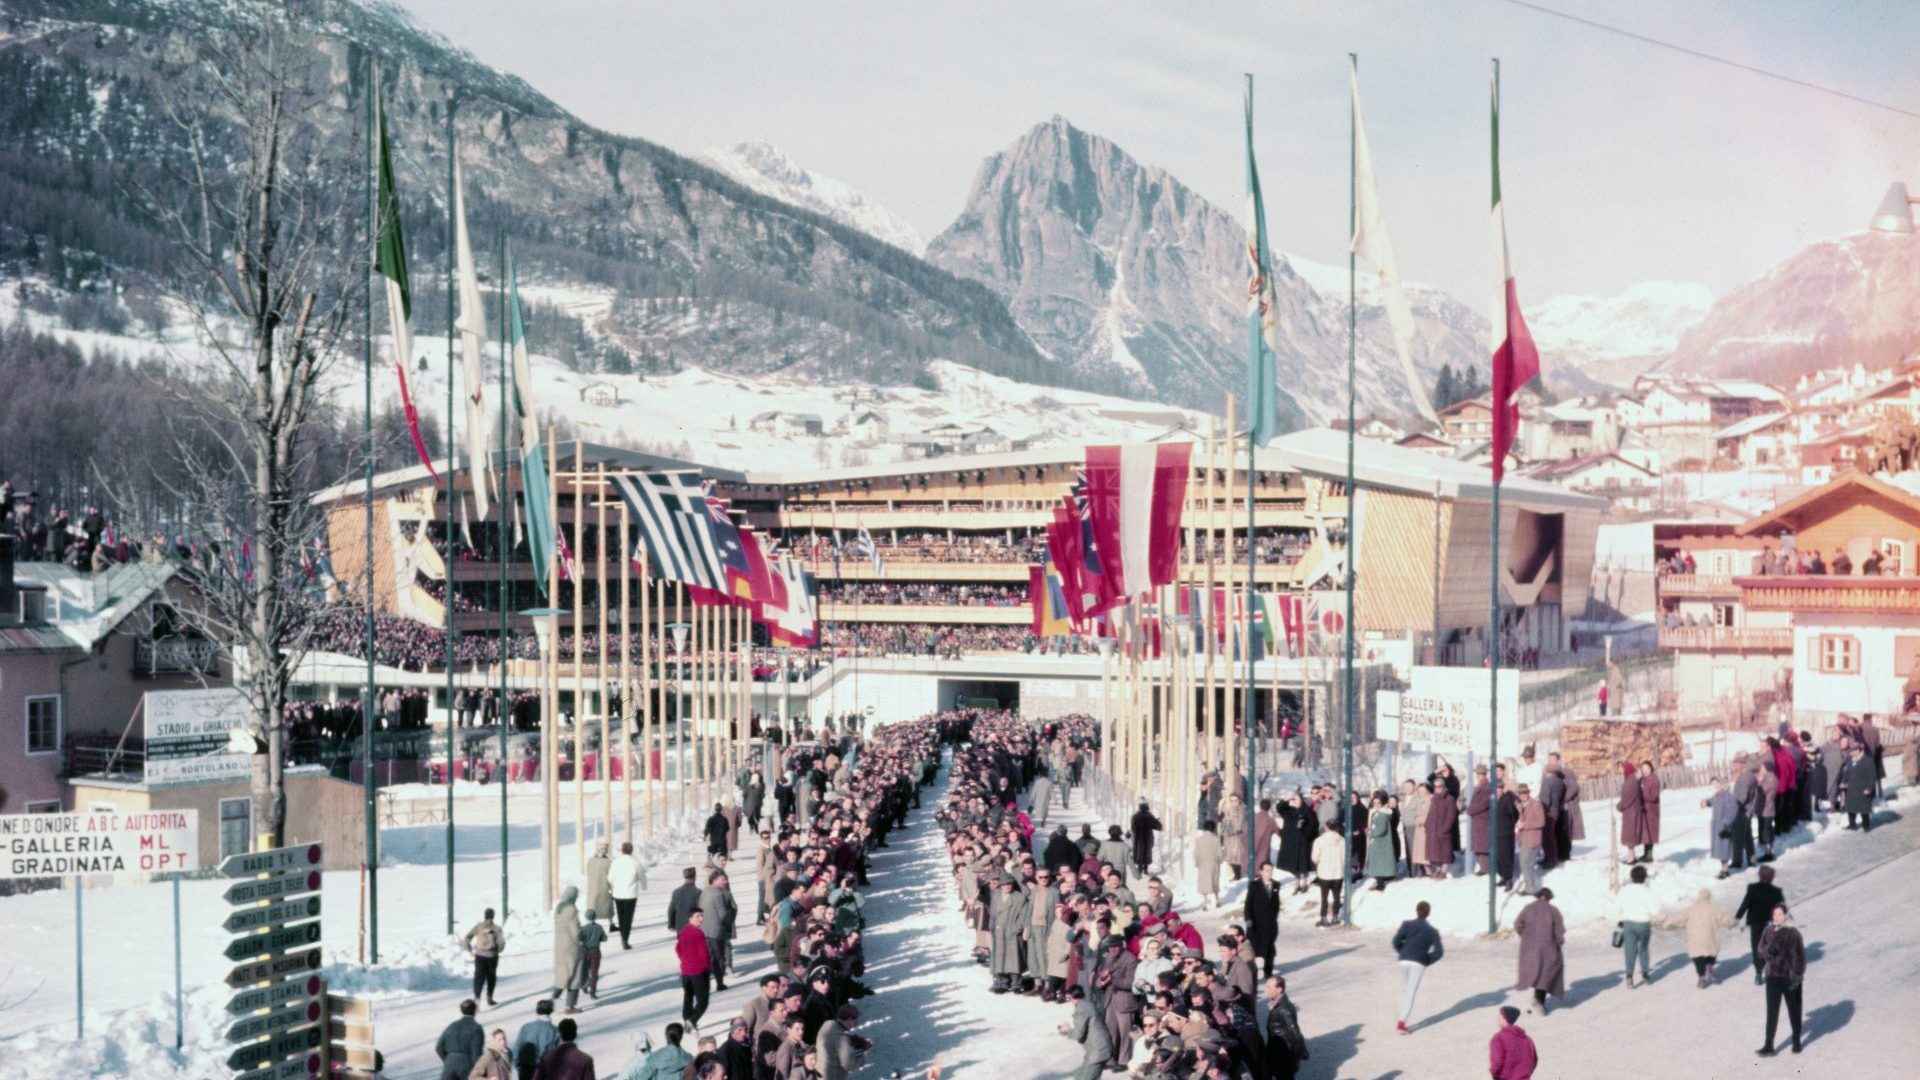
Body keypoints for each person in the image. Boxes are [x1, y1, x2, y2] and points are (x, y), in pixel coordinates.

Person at [1756, 903, 1806, 1057]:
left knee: (1794, 1010)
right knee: (1772, 1012)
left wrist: (1796, 977)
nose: (1777, 917)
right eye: (1775, 915)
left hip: (1789, 978)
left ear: (1786, 915)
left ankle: (1796, 1040)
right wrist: (1767, 951)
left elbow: (1800, 958)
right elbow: (1760, 951)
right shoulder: (1768, 930)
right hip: (1772, 977)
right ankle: (1768, 1045)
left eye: (1780, 914)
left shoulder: (1793, 933)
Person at [1390, 900, 1443, 1033]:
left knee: (1406, 988)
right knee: (1410, 991)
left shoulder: (1407, 925)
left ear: (1416, 910)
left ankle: (1401, 1013)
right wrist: (1426, 960)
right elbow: (1439, 952)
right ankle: (1401, 1022)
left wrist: (1402, 951)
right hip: (1418, 962)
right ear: (1428, 913)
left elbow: (1396, 941)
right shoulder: (1432, 931)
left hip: (1404, 960)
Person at [1667, 887, 1737, 988]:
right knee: (1711, 952)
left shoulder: (1691, 909)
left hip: (1696, 939)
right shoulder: (1713, 909)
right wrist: (1733, 923)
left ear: (1699, 897)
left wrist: (1666, 923)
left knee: (1698, 956)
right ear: (1709, 897)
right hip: (1710, 937)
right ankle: (1710, 965)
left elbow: (1677, 917)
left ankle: (1701, 977)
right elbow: (1724, 918)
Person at [1513, 889, 1564, 1014]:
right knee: (1546, 974)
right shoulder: (1553, 910)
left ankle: (1536, 997)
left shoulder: (1528, 908)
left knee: (1536, 971)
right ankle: (1539, 1002)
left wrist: (1526, 936)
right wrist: (1558, 942)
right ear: (1549, 898)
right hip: (1549, 948)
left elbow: (1518, 924)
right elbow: (1559, 931)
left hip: (1529, 948)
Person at [1735, 866, 1786, 986]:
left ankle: (1758, 973)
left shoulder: (1752, 888)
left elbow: (1745, 904)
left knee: (1757, 947)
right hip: (1771, 922)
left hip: (1755, 923)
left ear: (1760, 876)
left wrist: (1738, 917)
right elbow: (1782, 908)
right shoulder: (1776, 891)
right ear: (1771, 878)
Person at [1615, 864, 1657, 987]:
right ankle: (1645, 973)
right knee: (1643, 948)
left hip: (1629, 923)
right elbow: (1655, 910)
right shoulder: (1647, 891)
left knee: (1629, 950)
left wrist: (1621, 919)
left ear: (1632, 877)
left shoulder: (1625, 890)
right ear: (1644, 878)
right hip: (1643, 923)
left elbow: (1618, 907)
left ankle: (1629, 976)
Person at [1261, 974, 1309, 1080]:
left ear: (1279, 990)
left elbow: (1294, 1033)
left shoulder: (1284, 1010)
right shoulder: (1277, 1004)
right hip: (1278, 1053)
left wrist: (1302, 1052)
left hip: (1283, 1056)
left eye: (1269, 987)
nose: (1265, 990)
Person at [1058, 983, 1110, 1080]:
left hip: (1098, 1052)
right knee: (1079, 1075)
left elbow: (1078, 1034)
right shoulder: (1087, 1005)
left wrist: (1067, 1030)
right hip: (1098, 1050)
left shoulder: (1081, 1009)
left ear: (1071, 996)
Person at [699, 870, 738, 991]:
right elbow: (723, 915)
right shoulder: (719, 894)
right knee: (718, 958)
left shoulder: (705, 892)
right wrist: (731, 921)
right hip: (717, 931)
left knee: (707, 957)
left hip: (705, 930)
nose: (725, 882)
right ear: (715, 880)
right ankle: (720, 983)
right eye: (723, 879)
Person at [1243, 862, 1282, 979]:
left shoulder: (1276, 885)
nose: (1268, 873)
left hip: (1270, 924)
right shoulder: (1254, 885)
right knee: (1252, 948)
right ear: (1261, 872)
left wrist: (1274, 917)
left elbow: (1276, 903)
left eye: (1270, 870)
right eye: (1266, 870)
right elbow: (1248, 904)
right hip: (1256, 922)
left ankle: (1268, 971)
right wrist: (1249, 919)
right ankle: (1248, 971)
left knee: (1269, 948)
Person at [677, 908, 714, 1030]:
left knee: (688, 996)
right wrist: (708, 967)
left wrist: (684, 960)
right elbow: (704, 953)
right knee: (703, 999)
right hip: (698, 970)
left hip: (686, 970)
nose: (701, 919)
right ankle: (692, 1021)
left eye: (702, 916)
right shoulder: (698, 933)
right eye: (698, 916)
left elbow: (678, 948)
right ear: (690, 917)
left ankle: (686, 1018)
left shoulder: (684, 931)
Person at [552, 886, 586, 1013]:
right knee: (575, 975)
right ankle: (570, 1006)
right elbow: (575, 930)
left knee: (563, 972)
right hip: (572, 946)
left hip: (560, 945)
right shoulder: (572, 909)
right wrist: (582, 938)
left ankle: (553, 997)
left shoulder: (559, 908)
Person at [436, 999, 486, 1080]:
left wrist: (449, 1060)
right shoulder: (476, 1028)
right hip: (467, 1065)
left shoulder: (452, 1026)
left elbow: (439, 1048)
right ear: (475, 1011)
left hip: (450, 1064)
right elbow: (476, 1053)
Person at [465, 907, 506, 1007]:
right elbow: (502, 943)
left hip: (480, 955)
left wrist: (470, 949)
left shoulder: (479, 927)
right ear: (493, 916)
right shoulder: (497, 928)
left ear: (485, 915)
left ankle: (477, 998)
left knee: (478, 977)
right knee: (491, 977)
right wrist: (497, 951)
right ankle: (489, 997)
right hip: (492, 956)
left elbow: (467, 937)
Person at [814, 1004, 868, 1080]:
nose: (856, 1024)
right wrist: (863, 1057)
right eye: (855, 1021)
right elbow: (849, 1064)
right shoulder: (841, 1038)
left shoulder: (826, 1025)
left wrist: (855, 1039)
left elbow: (833, 1039)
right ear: (849, 1019)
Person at [511, 1000, 560, 1080]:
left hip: (525, 1069)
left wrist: (519, 1067)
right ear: (551, 1011)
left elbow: (517, 1048)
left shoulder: (526, 1027)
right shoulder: (554, 1031)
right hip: (543, 1071)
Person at [1311, 822, 1348, 926]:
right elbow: (1344, 857)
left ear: (1326, 827)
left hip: (1324, 873)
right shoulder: (1342, 840)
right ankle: (1335, 917)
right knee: (1336, 896)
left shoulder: (1319, 841)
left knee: (1324, 897)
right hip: (1338, 872)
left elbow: (1315, 858)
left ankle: (1324, 918)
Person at [1488, 1005, 1538, 1080]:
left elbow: (1497, 1060)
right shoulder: (1527, 1039)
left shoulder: (1499, 1038)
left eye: (1499, 1016)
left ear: (1504, 1017)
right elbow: (1534, 1060)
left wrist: (1494, 1073)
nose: (1497, 1019)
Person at [623, 1023, 690, 1080]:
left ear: (666, 1037)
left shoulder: (655, 1057)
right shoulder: (690, 1059)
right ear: (681, 1037)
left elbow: (643, 1077)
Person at [608, 842, 642, 949]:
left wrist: (614, 886)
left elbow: (610, 877)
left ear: (622, 850)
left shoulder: (616, 862)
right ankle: (625, 938)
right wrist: (644, 886)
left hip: (618, 893)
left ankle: (623, 935)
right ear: (631, 850)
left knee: (621, 916)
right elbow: (642, 876)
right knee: (628, 917)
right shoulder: (635, 862)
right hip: (631, 894)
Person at [1513, 785, 1545, 896]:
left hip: (1532, 839)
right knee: (1523, 864)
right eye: (1520, 794)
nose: (1523, 795)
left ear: (1528, 793)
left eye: (1525, 793)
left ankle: (1531, 889)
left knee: (1528, 864)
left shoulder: (1536, 804)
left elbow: (1541, 822)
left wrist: (1524, 825)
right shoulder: (1521, 805)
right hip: (1523, 839)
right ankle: (1529, 887)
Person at [1193, 819, 1224, 908]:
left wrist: (1197, 863)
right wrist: (1220, 860)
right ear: (1213, 829)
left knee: (1204, 883)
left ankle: (1205, 902)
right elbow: (1220, 853)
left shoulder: (1199, 840)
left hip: (1203, 864)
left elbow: (1196, 853)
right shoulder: (1216, 839)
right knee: (1215, 882)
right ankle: (1217, 899)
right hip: (1214, 863)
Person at [578, 909, 607, 1001]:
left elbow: (579, 939)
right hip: (596, 951)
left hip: (585, 951)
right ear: (595, 917)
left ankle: (585, 986)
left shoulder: (583, 928)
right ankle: (593, 992)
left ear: (586, 917)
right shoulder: (599, 927)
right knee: (594, 972)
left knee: (584, 970)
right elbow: (604, 938)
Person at [1130, 800, 1162, 878]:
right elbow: (1159, 827)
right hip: (1148, 838)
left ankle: (1139, 868)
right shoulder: (1150, 816)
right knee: (1147, 852)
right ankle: (1145, 869)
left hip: (1138, 838)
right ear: (1147, 806)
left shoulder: (1135, 816)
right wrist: (1156, 821)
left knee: (1139, 851)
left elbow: (1132, 827)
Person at [586, 842, 613, 925]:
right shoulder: (608, 862)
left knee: (593, 906)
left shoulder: (590, 861)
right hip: (604, 887)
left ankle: (591, 922)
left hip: (592, 888)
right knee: (607, 907)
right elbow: (612, 876)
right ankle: (611, 923)